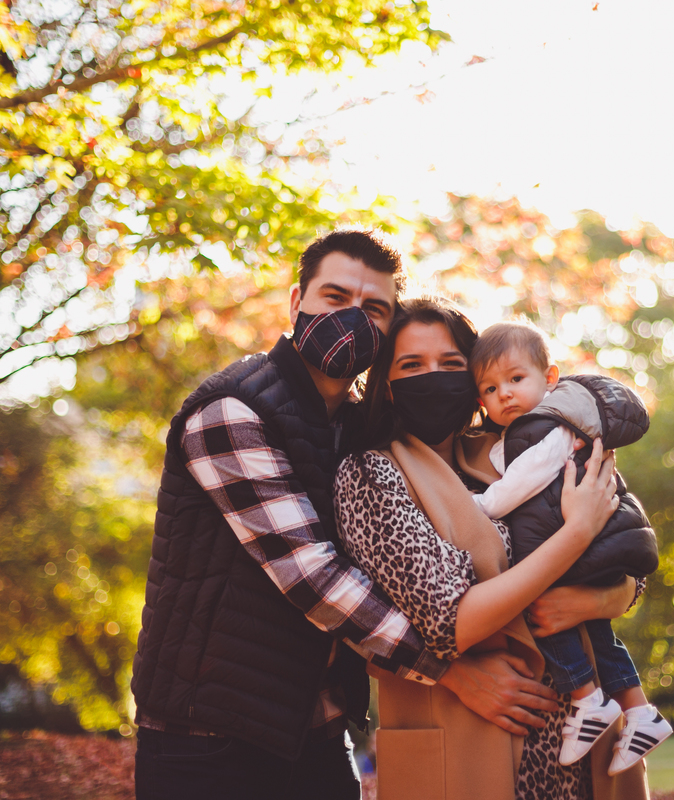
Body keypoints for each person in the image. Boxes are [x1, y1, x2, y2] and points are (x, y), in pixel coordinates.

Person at [130, 232, 562, 800]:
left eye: (374, 308)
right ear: (297, 302)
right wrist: (453, 673)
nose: (352, 318)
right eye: (335, 297)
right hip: (209, 733)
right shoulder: (232, 410)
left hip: (315, 724)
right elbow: (311, 575)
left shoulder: (360, 428)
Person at [334, 297, 650, 800]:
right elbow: (447, 621)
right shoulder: (371, 474)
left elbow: (626, 555)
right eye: (412, 365)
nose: (432, 377)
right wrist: (574, 536)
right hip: (468, 743)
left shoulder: (517, 449)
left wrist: (593, 600)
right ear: (386, 385)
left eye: (451, 364)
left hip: (585, 745)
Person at [470, 321, 672, 775]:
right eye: (490, 388)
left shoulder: (549, 427)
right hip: (593, 543)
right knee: (597, 630)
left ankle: (587, 697)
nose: (504, 393)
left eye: (515, 378)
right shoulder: (535, 427)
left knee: (540, 607)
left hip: (585, 544)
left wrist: (479, 504)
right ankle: (640, 712)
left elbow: (516, 486)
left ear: (549, 378)